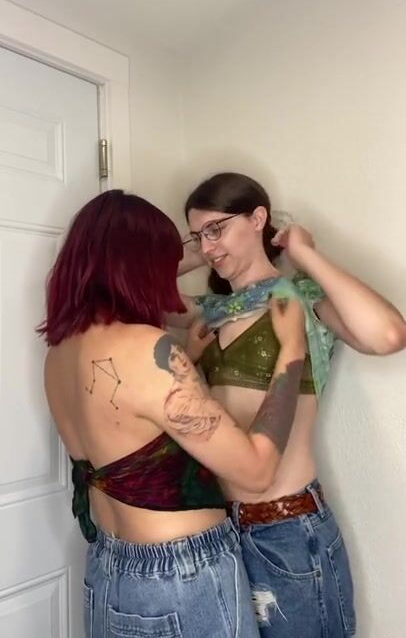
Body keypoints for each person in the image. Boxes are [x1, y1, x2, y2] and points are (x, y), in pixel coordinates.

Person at [39, 188, 318, 638]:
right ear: (144, 265)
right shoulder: (147, 348)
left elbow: (137, 429)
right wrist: (292, 350)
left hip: (109, 568)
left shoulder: (59, 353)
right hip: (180, 577)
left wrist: (190, 357)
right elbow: (256, 470)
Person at [168, 172, 406, 638]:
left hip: (289, 532)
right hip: (219, 533)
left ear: (258, 218)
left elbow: (389, 335)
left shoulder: (300, 299)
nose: (209, 246)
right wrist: (201, 247)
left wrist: (305, 255)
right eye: (198, 235)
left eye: (217, 229)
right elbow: (130, 288)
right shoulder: (213, 310)